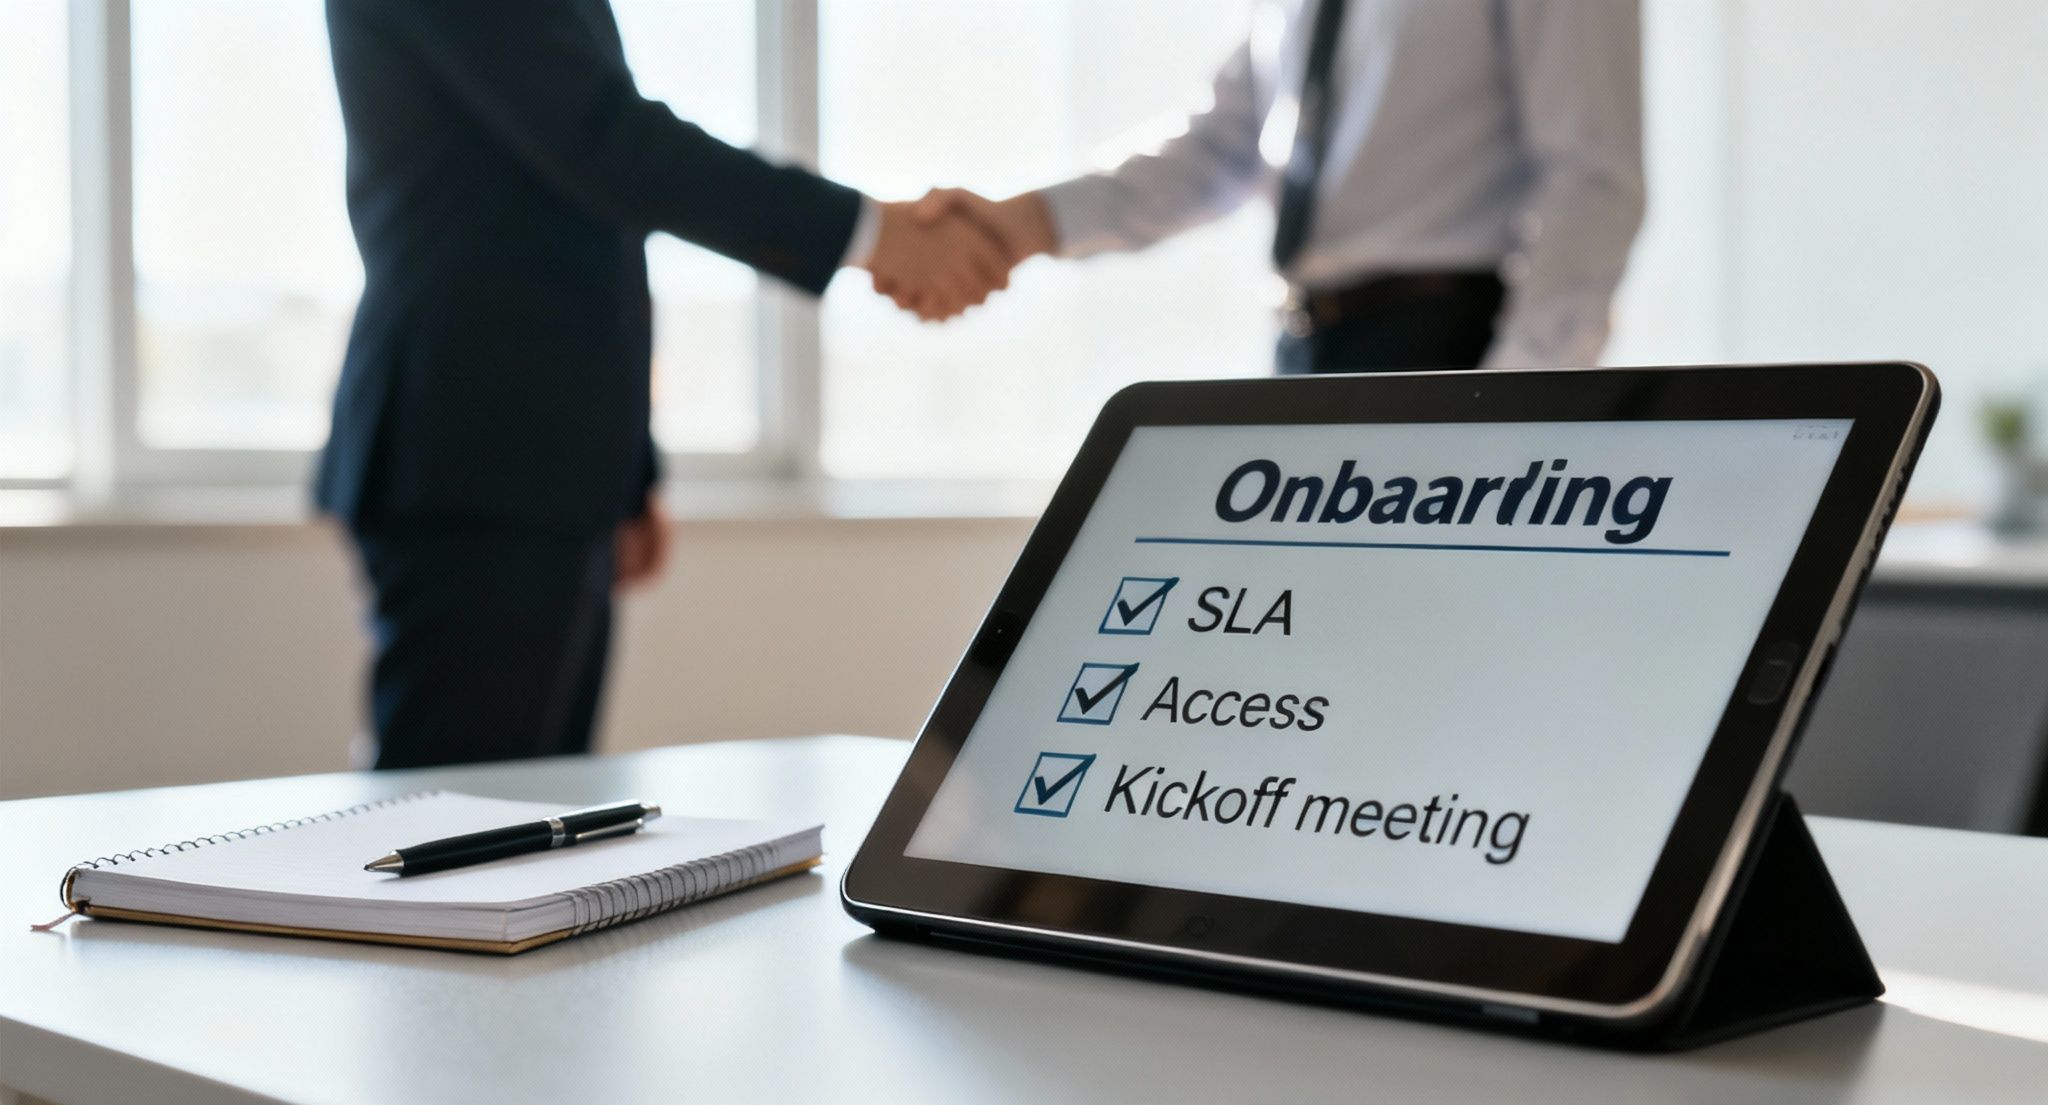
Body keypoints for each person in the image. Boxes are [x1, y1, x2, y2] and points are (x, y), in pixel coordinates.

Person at [319, 0, 1010, 770]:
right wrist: (871, 234)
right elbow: (607, 144)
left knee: (532, 821)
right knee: (447, 825)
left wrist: (626, 469)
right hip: (471, 450)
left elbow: (582, 209)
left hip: (539, 458)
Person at [919, 0, 1644, 374]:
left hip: (1445, 344)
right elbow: (1218, 147)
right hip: (1307, 346)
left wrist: (1520, 394)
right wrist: (1018, 225)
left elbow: (1593, 177)